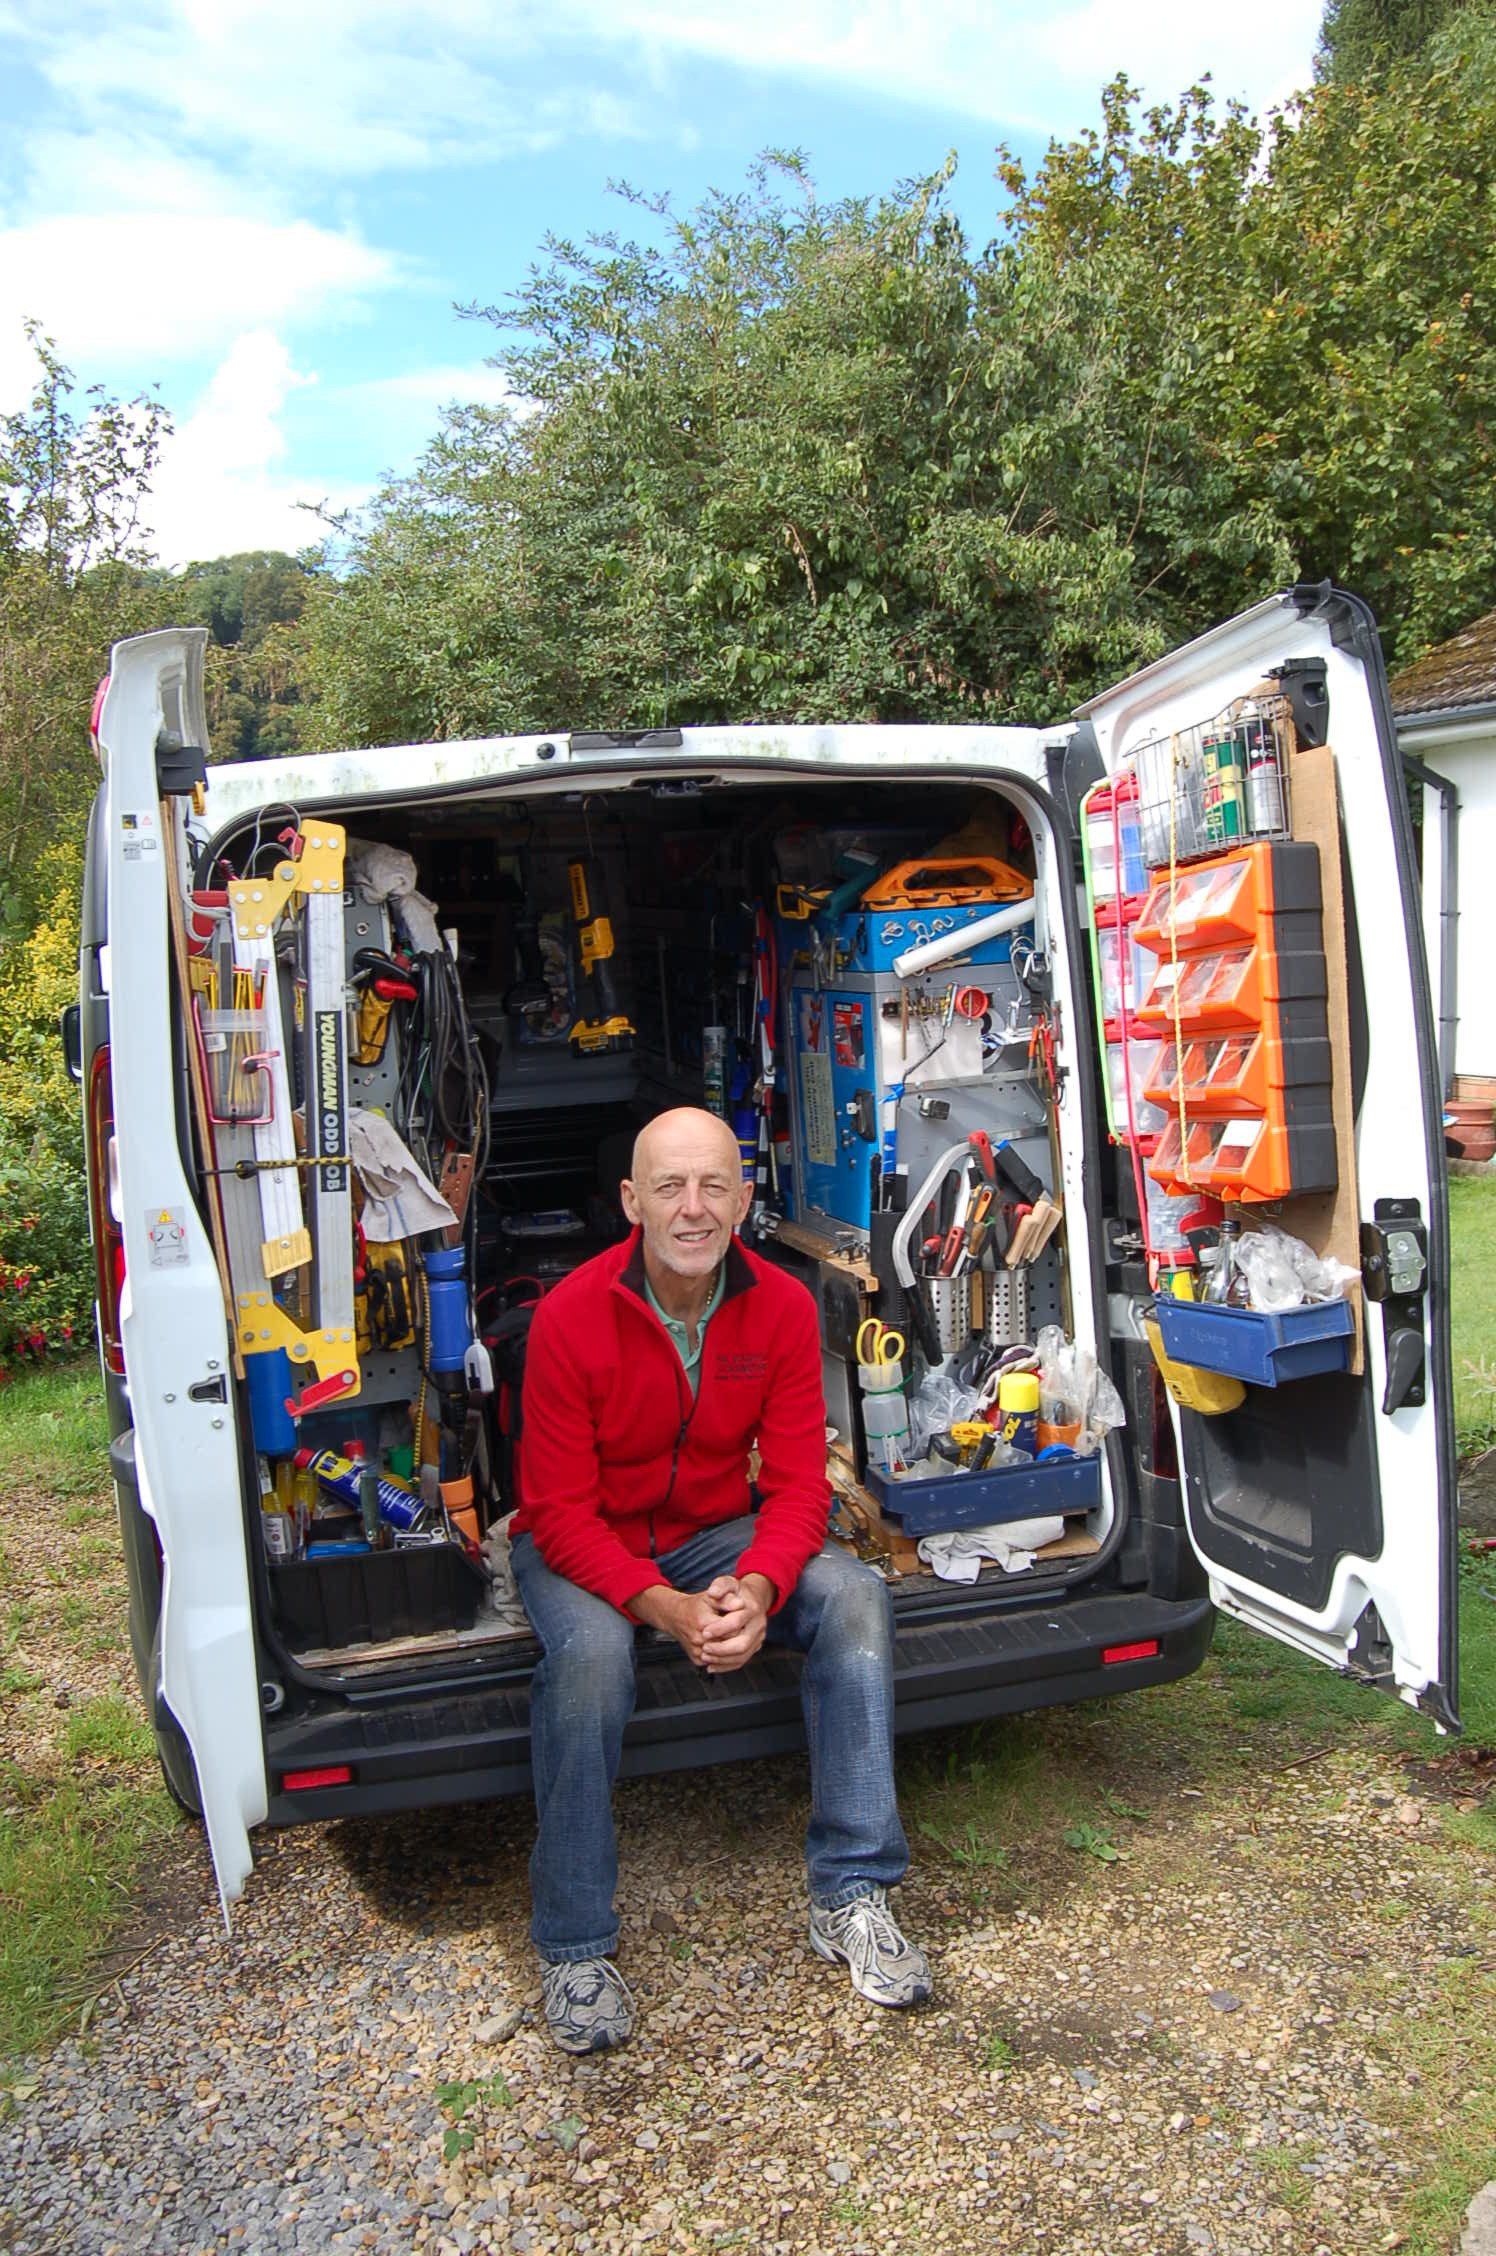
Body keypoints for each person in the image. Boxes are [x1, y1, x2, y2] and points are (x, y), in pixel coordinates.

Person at [511, 1106, 931, 2053]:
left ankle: (853, 1893)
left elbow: (793, 1488)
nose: (692, 1209)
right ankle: (574, 1946)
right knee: (593, 1657)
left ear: (745, 1199)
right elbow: (558, 1512)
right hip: (582, 1541)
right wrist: (662, 1608)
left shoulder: (780, 1306)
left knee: (857, 1595)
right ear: (631, 1201)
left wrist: (758, 1588)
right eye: (668, 1187)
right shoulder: (572, 1315)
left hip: (708, 1530)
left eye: (713, 1187)